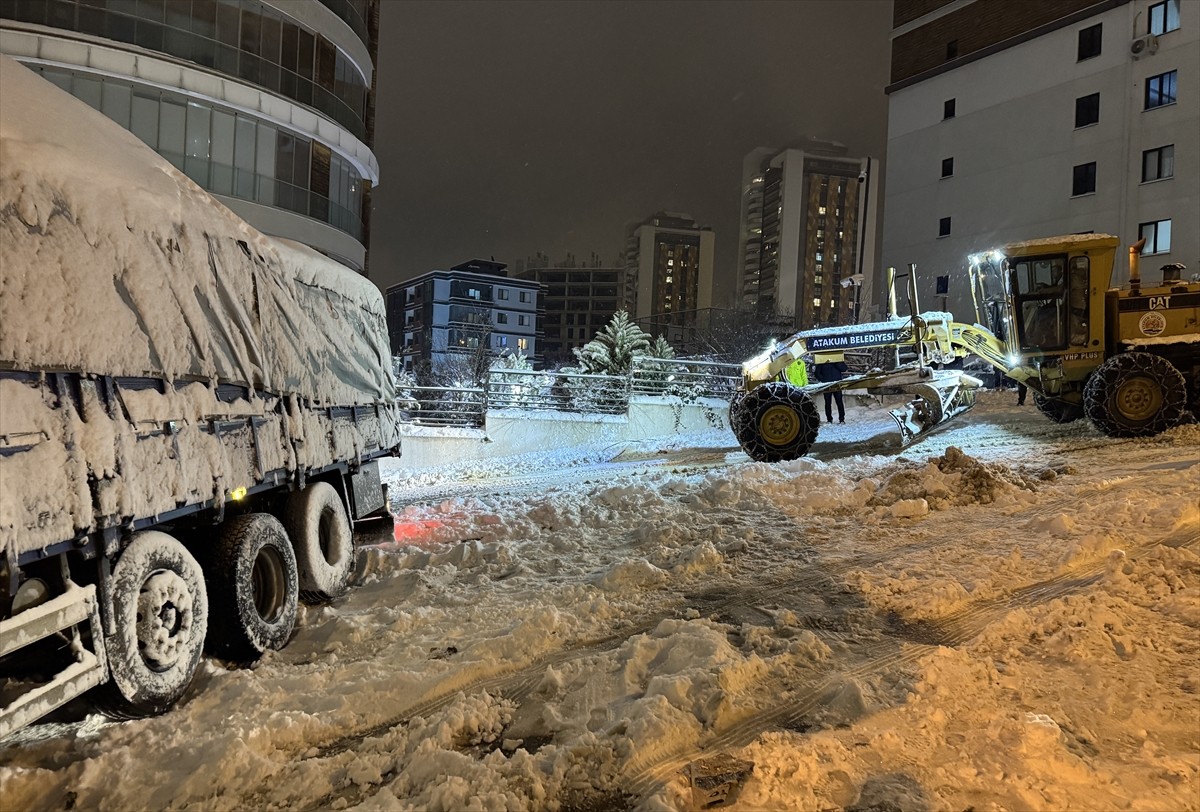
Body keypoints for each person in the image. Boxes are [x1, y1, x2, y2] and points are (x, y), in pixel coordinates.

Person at [814, 352, 848, 423]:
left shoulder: (838, 359)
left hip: (837, 384)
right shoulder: (822, 361)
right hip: (827, 385)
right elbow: (817, 373)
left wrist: (837, 363)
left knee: (839, 402)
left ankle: (842, 419)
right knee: (828, 403)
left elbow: (844, 368)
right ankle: (829, 419)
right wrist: (823, 380)